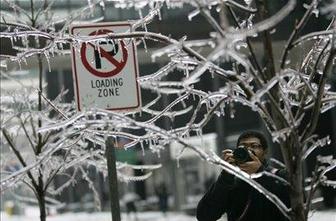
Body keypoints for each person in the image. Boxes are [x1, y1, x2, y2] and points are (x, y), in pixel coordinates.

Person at [196, 130, 290, 221]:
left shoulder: (280, 176)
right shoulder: (232, 183)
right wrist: (226, 175)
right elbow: (204, 216)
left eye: (254, 146)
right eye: (243, 147)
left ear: (265, 152)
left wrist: (260, 172)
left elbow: (293, 208)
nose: (249, 150)